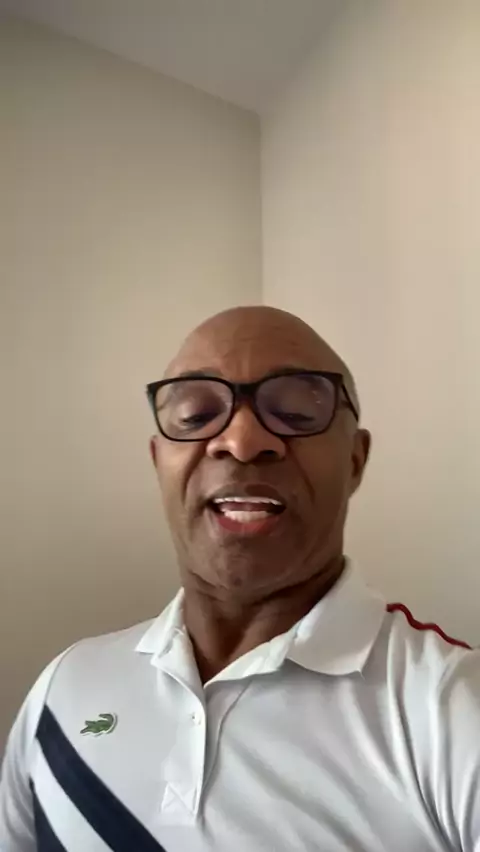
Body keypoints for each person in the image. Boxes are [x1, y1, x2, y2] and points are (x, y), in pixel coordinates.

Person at [1, 305, 479, 852]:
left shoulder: (451, 706)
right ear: (158, 459)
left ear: (355, 459)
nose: (242, 440)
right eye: (195, 415)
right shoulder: (66, 686)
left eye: (297, 411)